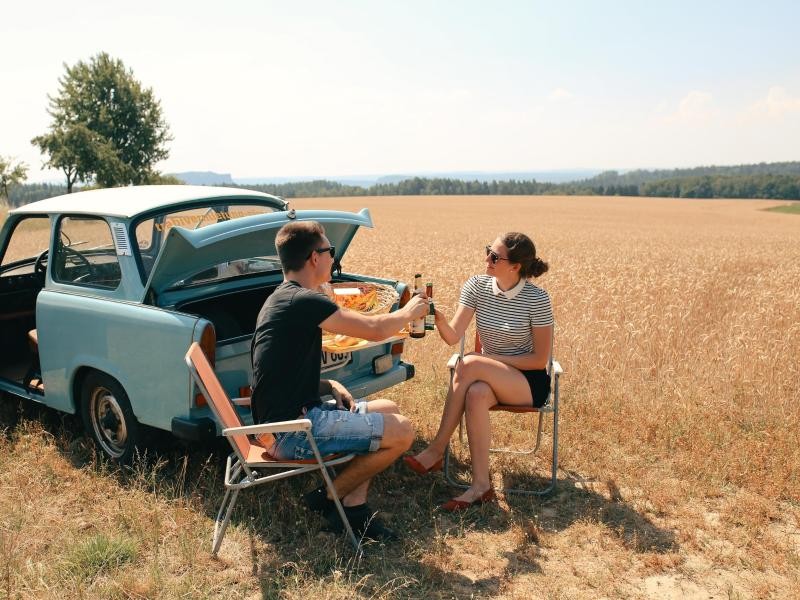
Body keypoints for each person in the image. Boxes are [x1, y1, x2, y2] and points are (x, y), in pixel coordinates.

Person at [251, 220, 429, 541]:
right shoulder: (303, 300)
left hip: (289, 418)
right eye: (330, 251)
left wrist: (328, 386)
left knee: (388, 408)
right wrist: (409, 311)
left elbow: (277, 374)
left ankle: (351, 508)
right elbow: (375, 330)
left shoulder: (284, 298)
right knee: (402, 432)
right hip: (292, 431)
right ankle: (331, 498)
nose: (333, 258)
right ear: (314, 258)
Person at [403, 232, 553, 511]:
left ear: (515, 266)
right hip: (488, 378)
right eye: (488, 251)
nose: (487, 259)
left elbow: (539, 359)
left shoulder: (537, 299)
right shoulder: (476, 286)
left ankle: (436, 449)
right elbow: (453, 336)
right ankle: (480, 486)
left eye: (494, 256)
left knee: (470, 363)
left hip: (528, 383)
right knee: (476, 393)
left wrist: (489, 358)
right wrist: (438, 317)